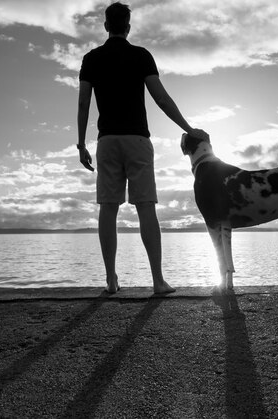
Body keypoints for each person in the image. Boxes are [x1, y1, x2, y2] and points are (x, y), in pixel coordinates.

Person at [76, 2, 209, 294]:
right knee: (146, 208)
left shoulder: (92, 58)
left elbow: (84, 102)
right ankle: (158, 281)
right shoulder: (141, 56)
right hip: (137, 140)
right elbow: (161, 98)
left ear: (106, 25)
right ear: (128, 26)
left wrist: (81, 142)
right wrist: (188, 128)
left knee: (108, 209)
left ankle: (111, 280)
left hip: (107, 141)